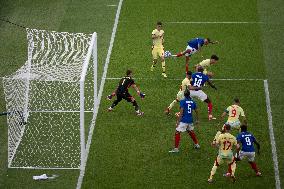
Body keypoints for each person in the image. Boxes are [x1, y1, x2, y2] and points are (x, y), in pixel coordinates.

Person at [168, 89, 200, 153]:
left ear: (184, 95)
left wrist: (178, 121)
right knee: (190, 131)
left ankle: (176, 149)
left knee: (177, 132)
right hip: (190, 120)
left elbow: (181, 112)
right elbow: (196, 110)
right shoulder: (193, 102)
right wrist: (197, 119)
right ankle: (197, 144)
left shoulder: (182, 101)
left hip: (184, 120)